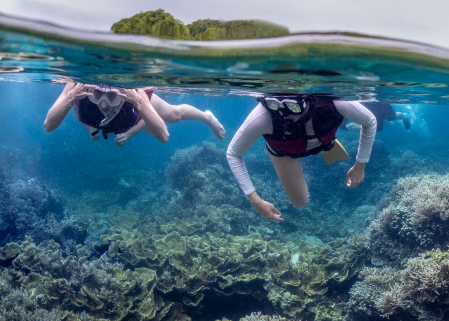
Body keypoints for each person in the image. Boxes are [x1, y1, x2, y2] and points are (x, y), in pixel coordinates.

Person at [225, 94, 377, 221]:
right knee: (300, 202)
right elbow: (233, 153)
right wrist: (256, 201)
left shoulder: (334, 103)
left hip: (319, 138)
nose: (283, 113)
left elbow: (370, 121)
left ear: (308, 100)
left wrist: (360, 165)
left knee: (322, 126)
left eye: (292, 106)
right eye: (275, 105)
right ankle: (321, 145)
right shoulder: (263, 115)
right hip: (284, 152)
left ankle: (324, 146)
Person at [44, 82, 226, 145]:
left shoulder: (133, 93)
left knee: (173, 115)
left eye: (112, 96)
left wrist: (139, 103)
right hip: (118, 119)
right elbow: (49, 126)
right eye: (97, 95)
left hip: (132, 111)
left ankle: (206, 117)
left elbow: (163, 136)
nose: (104, 104)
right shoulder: (78, 87)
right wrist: (70, 99)